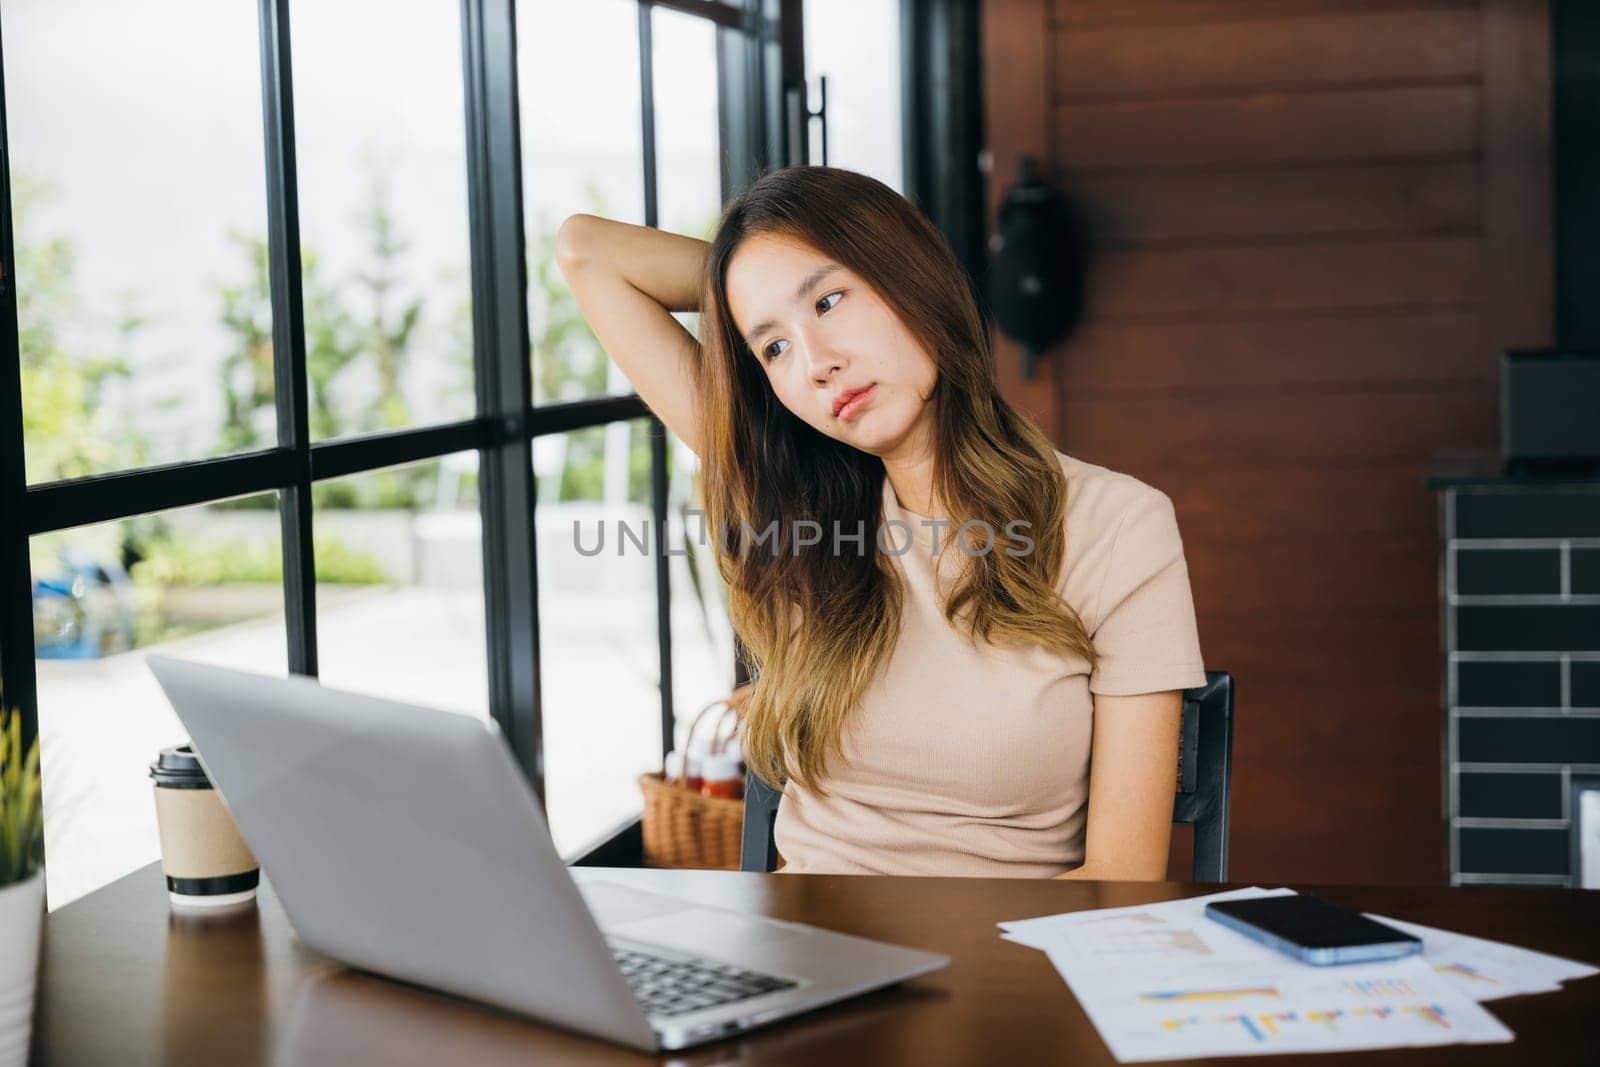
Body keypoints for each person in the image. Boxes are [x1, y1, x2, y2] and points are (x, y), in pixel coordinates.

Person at [556, 165, 1205, 880]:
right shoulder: (799, 512)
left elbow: (1123, 879)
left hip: (1002, 968)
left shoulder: (1116, 525)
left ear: (909, 273)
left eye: (831, 301)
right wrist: (750, 282)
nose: (818, 364)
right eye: (773, 346)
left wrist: (773, 276)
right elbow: (587, 252)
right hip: (801, 957)